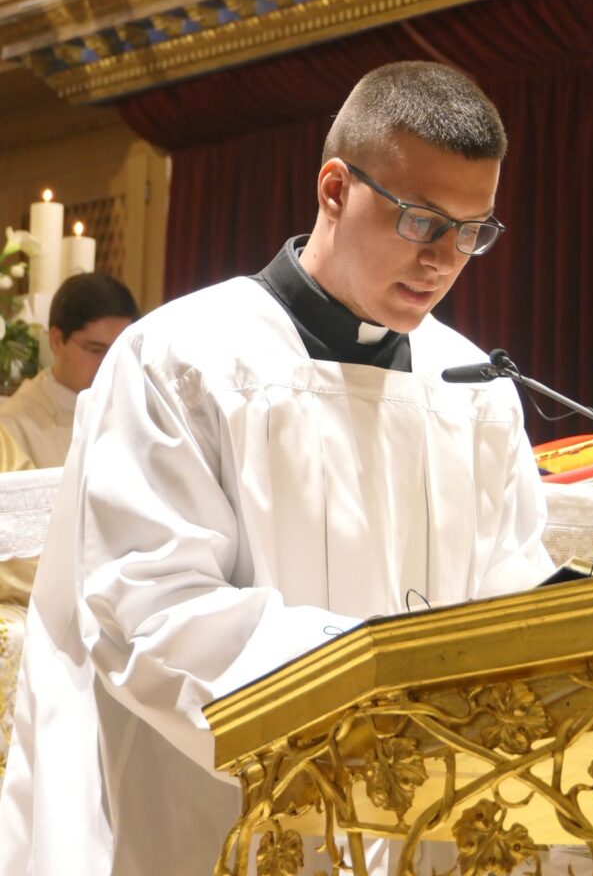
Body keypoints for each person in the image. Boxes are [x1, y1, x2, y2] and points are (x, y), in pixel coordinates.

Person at [0, 62, 553, 875]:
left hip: (419, 824)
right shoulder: (182, 359)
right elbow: (151, 610)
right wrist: (378, 681)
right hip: (222, 820)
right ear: (334, 188)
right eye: (420, 221)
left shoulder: (472, 389)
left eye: (473, 231)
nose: (444, 259)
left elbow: (510, 597)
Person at [0, 272, 140, 468]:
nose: (108, 363)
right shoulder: (13, 425)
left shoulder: (137, 409)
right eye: (95, 350)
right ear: (56, 340)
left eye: (118, 351)